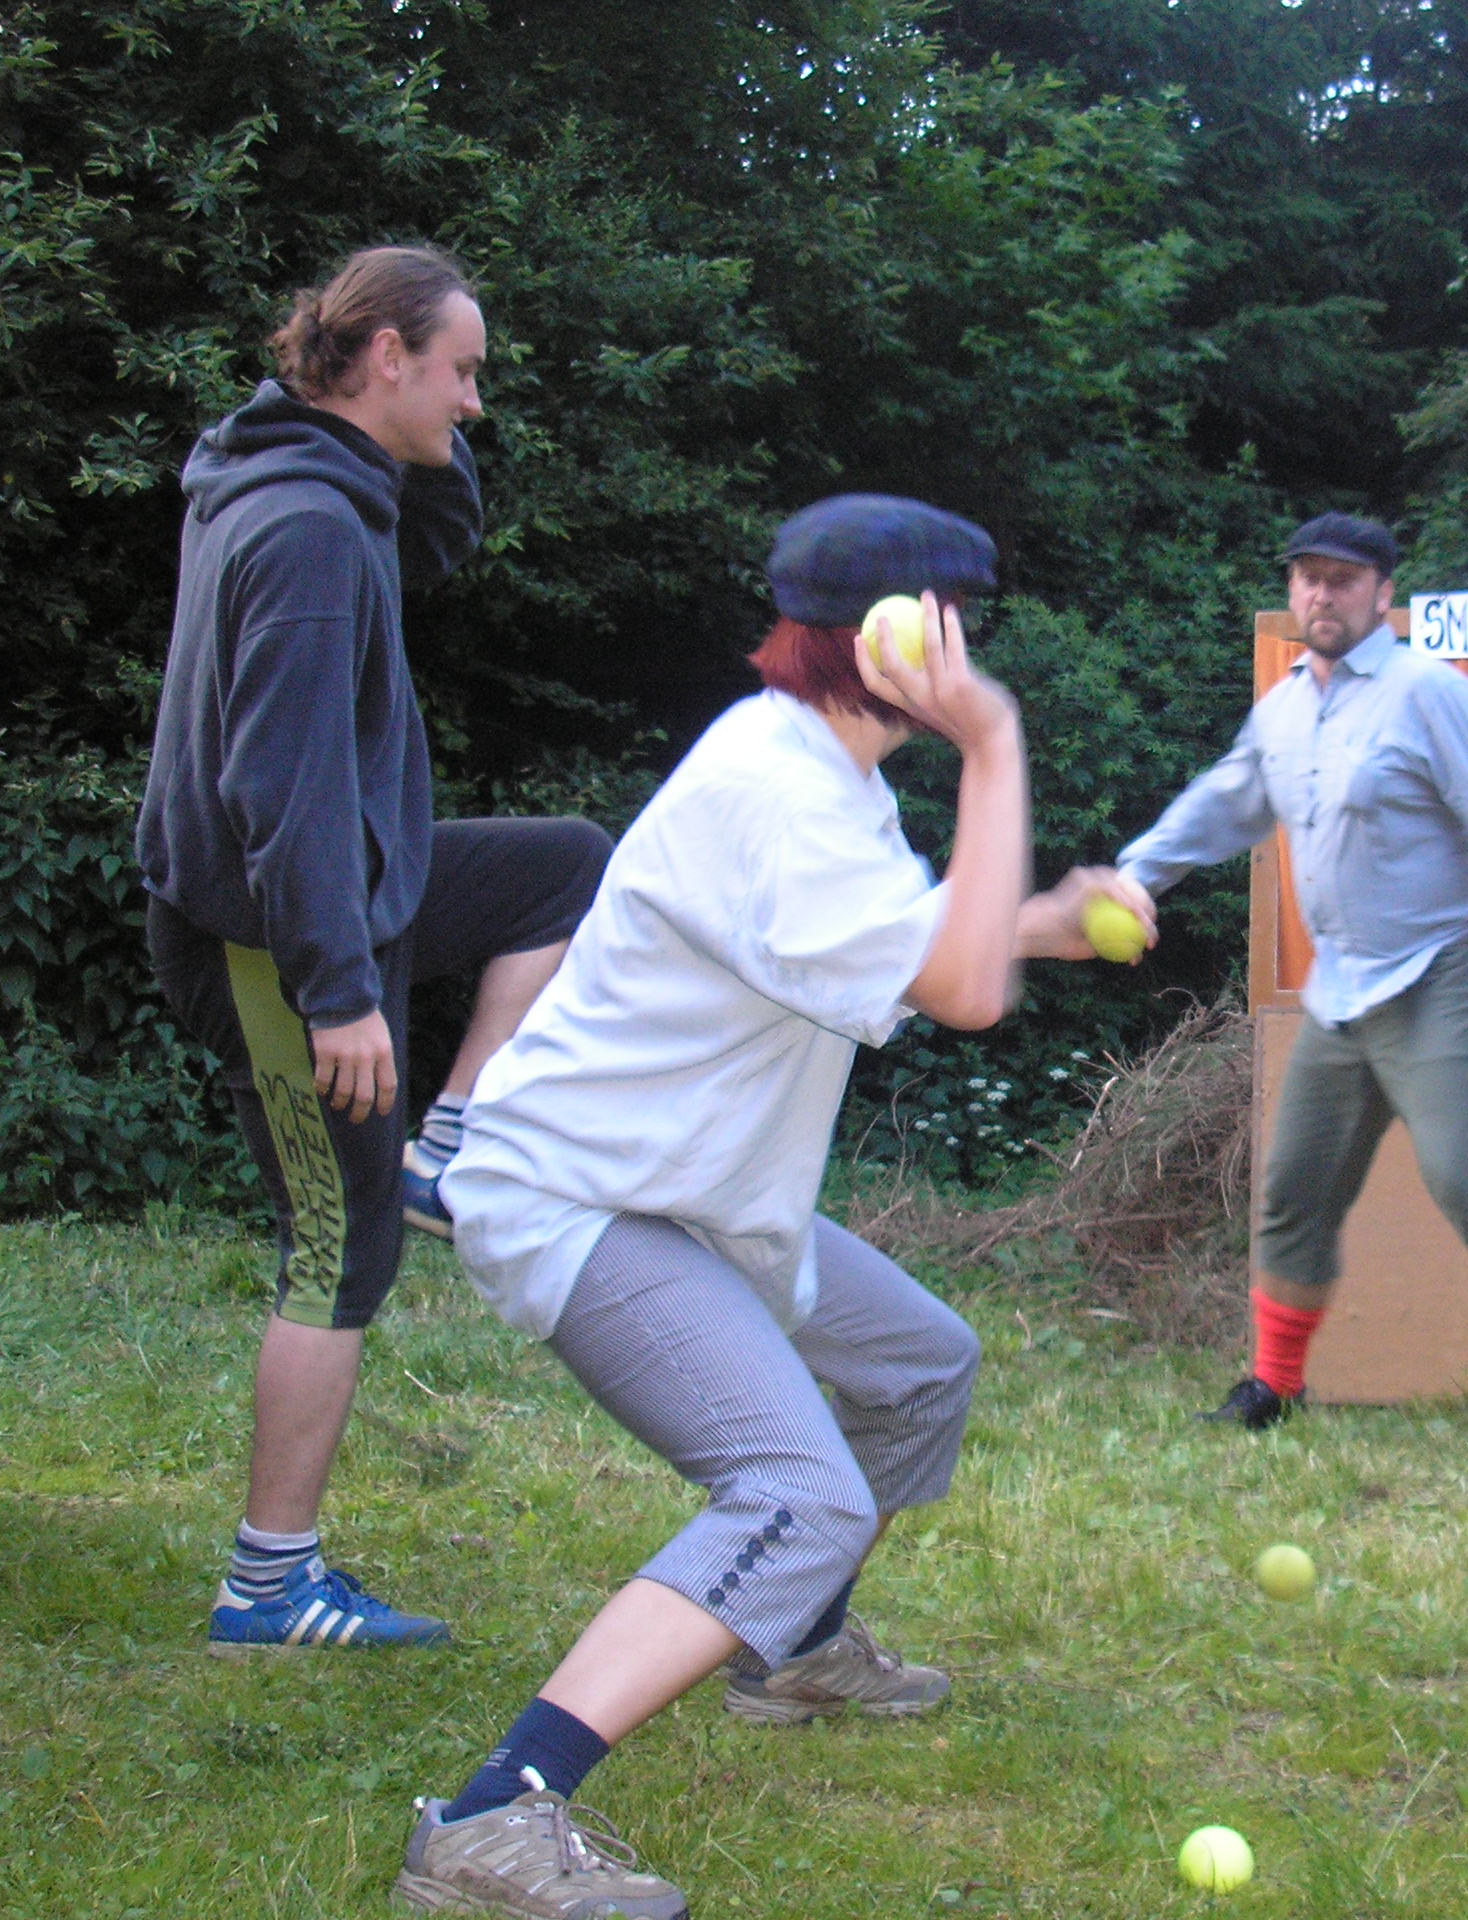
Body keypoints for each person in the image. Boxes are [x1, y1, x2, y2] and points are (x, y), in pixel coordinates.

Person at [393, 496, 1152, 1918]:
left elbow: (911, 943)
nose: (972, 652)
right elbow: (963, 992)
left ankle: (791, 1647)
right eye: (958, 625)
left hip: (688, 1193)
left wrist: (1042, 919)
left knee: (919, 1364)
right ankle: (491, 1821)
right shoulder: (780, 790)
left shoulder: (818, 771)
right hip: (584, 1195)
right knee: (798, 1492)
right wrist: (992, 746)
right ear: (897, 638)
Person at [137, 246, 613, 1653]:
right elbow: (275, 782)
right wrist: (338, 995)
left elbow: (441, 539)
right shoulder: (305, 532)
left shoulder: (323, 488)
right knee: (339, 1254)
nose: (476, 402)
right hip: (271, 941)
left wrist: (420, 436)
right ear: (387, 356)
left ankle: (447, 1140)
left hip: (349, 891)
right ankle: (267, 1586)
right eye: (460, 371)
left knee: (566, 868)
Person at [1113, 513, 1468, 1456]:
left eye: (1343, 579)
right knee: (1294, 1187)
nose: (1322, 593)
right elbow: (1227, 801)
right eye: (1307, 577)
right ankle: (1274, 1386)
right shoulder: (1283, 710)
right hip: (1342, 986)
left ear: (1384, 594)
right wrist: (1136, 873)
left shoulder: (1428, 692)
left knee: (1464, 1177)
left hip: (1444, 969)